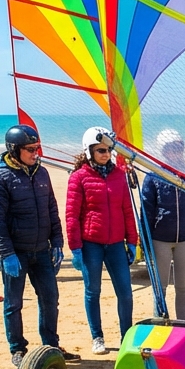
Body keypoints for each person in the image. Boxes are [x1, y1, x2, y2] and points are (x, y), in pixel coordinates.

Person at [0, 124, 76, 366]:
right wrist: (7, 254)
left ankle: (50, 346)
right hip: (16, 253)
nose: (36, 153)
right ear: (14, 150)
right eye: (30, 149)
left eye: (37, 148)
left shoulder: (42, 173)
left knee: (50, 299)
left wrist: (57, 242)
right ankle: (17, 349)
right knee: (13, 303)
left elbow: (51, 209)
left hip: (42, 252)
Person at [67, 127, 139, 355]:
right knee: (93, 291)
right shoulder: (79, 177)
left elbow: (127, 210)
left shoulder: (119, 175)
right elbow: (72, 215)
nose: (106, 154)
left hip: (116, 244)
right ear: (89, 151)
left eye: (108, 150)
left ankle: (126, 335)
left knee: (125, 293)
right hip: (91, 245)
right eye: (100, 150)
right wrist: (76, 248)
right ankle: (97, 337)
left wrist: (132, 241)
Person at [139, 129, 185, 321]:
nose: (175, 152)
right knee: (161, 286)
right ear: (163, 151)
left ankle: (182, 323)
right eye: (171, 149)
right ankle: (160, 322)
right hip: (161, 239)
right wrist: (145, 240)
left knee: (182, 286)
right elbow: (146, 211)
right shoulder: (153, 176)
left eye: (178, 148)